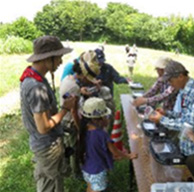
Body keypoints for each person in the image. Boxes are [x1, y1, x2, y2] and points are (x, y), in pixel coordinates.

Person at [20, 35, 77, 192]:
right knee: (49, 187)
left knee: (54, 182)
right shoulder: (36, 87)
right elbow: (44, 127)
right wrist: (65, 109)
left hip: (46, 143)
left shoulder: (35, 77)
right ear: (48, 58)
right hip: (47, 146)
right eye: (59, 57)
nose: (60, 62)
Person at [149, 60, 194, 180]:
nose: (169, 84)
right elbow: (183, 115)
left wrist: (162, 119)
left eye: (170, 80)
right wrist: (167, 113)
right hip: (186, 144)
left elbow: (188, 125)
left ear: (180, 76)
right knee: (179, 175)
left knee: (189, 180)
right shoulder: (185, 90)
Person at [79, 97, 137, 192]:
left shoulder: (84, 130)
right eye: (107, 117)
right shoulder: (102, 134)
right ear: (99, 119)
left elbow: (95, 149)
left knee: (90, 187)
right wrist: (128, 156)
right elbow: (115, 151)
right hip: (97, 171)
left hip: (87, 169)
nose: (108, 119)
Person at [59, 49, 102, 179]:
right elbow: (73, 110)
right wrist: (80, 129)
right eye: (88, 78)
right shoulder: (75, 87)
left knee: (67, 145)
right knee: (74, 148)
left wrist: (81, 92)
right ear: (83, 75)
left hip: (64, 120)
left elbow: (66, 96)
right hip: (70, 122)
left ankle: (69, 167)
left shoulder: (68, 79)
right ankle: (76, 172)